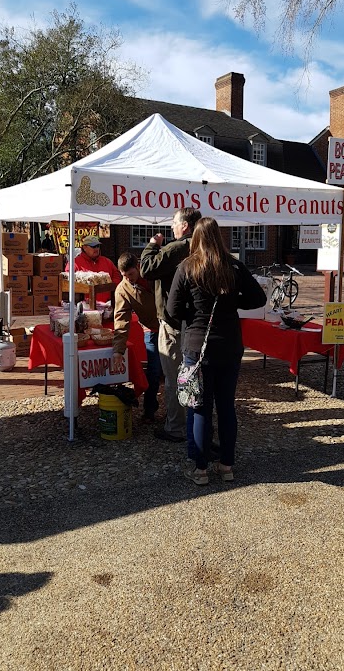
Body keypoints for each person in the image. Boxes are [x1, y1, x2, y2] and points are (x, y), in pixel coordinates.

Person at [166, 217, 266, 485]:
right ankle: (226, 466)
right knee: (226, 407)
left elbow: (172, 311)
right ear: (219, 237)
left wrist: (193, 312)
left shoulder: (187, 267)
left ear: (196, 238)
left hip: (198, 346)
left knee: (199, 408)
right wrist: (233, 302)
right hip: (230, 345)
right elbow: (259, 298)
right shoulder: (233, 266)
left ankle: (200, 470)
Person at [140, 207, 202, 442]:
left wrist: (152, 244)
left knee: (175, 378)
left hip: (175, 325)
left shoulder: (177, 247)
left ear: (184, 226)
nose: (171, 227)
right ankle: (194, 423)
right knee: (194, 376)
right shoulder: (202, 248)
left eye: (174, 223)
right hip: (195, 323)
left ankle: (176, 427)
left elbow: (146, 268)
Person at [112, 252, 161, 423]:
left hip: (170, 326)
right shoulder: (122, 289)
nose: (129, 279)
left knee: (173, 372)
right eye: (124, 276)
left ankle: (178, 412)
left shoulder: (153, 273)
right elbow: (121, 321)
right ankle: (149, 410)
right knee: (154, 372)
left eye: (131, 274)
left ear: (139, 267)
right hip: (151, 329)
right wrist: (118, 349)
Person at [65, 235, 120, 303]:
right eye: (93, 246)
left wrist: (110, 287)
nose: (96, 249)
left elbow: (117, 276)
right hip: (85, 306)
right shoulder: (74, 263)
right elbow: (67, 281)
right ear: (84, 247)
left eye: (98, 246)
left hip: (106, 305)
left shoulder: (107, 262)